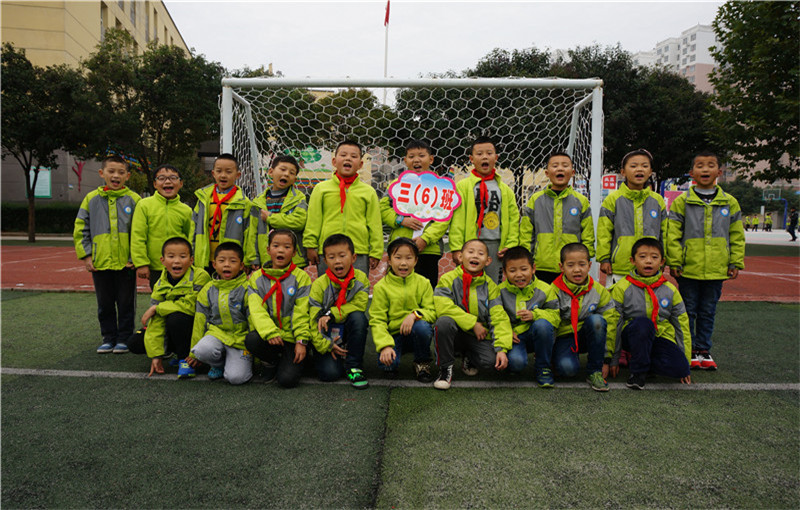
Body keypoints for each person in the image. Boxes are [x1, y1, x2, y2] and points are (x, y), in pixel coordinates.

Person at [666, 151, 745, 370]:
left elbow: (736, 235)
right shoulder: (682, 202)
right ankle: (689, 349)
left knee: (708, 311)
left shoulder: (730, 202)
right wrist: (675, 261)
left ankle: (704, 350)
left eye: (711, 165)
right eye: (700, 165)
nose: (705, 169)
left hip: (716, 268)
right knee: (688, 310)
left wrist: (735, 261)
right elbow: (673, 234)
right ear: (691, 173)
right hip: (689, 268)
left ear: (719, 172)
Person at [73, 155, 141, 354]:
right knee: (104, 303)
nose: (116, 176)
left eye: (121, 172)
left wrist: (135, 258)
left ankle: (124, 338)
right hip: (100, 262)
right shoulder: (91, 199)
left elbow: (140, 232)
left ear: (128, 176)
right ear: (102, 173)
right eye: (111, 171)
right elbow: (81, 228)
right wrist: (87, 256)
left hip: (126, 264)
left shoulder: (135, 200)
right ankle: (108, 337)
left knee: (126, 303)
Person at [605, 238, 692, 390]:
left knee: (680, 368)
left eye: (654, 257)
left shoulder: (670, 290)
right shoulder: (621, 288)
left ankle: (643, 359)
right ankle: (637, 373)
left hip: (660, 336)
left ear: (662, 262)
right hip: (632, 336)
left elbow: (682, 325)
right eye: (642, 256)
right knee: (643, 324)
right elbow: (614, 324)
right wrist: (613, 358)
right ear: (632, 260)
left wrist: (686, 361)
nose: (648, 261)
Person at [432, 239, 512, 390]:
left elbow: (499, 317)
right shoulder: (448, 279)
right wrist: (472, 323)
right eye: (470, 252)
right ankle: (445, 369)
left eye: (480, 253)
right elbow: (443, 306)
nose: (475, 256)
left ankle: (468, 355)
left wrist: (502, 348)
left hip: (477, 336)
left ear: (488, 261)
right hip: (455, 332)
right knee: (443, 322)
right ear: (460, 257)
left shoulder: (491, 287)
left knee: (491, 362)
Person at [127, 237, 211, 378]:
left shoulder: (200, 276)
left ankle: (185, 359)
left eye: (182, 256)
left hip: (200, 327)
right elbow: (157, 319)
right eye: (171, 256)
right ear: (163, 260)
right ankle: (175, 351)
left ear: (191, 260)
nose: (177, 261)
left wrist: (157, 308)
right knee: (135, 342)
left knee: (177, 318)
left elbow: (192, 306)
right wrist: (156, 355)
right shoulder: (160, 283)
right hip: (175, 327)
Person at [304, 140, 382, 277]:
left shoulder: (368, 192)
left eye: (353, 156)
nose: (348, 158)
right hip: (328, 251)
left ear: (360, 164)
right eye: (343, 155)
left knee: (358, 287)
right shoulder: (321, 189)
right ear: (334, 161)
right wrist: (310, 245)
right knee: (327, 288)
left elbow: (374, 223)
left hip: (358, 251)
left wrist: (376, 251)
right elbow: (313, 219)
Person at [245, 229, 312, 388]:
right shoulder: (256, 278)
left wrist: (301, 341)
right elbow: (256, 310)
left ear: (294, 252)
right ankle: (271, 362)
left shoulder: (301, 277)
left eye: (287, 247)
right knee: (252, 340)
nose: (281, 250)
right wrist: (270, 332)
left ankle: (297, 359)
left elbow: (302, 312)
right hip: (270, 336)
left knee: (287, 380)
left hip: (292, 337)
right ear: (268, 250)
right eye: (276, 246)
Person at [543, 243, 613, 392]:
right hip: (564, 337)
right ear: (561, 267)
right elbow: (550, 325)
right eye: (570, 265)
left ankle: (595, 371)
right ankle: (560, 358)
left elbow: (611, 324)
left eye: (582, 264)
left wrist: (607, 359)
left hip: (587, 335)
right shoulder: (553, 290)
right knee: (567, 370)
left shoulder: (599, 291)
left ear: (589, 265)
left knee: (597, 321)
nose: (577, 270)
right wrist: (550, 357)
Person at [448, 136, 520, 283]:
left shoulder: (505, 190)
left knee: (493, 285)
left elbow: (513, 219)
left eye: (489, 153)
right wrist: (456, 247)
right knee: (468, 283)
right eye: (479, 154)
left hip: (496, 246)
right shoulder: (462, 187)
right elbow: (457, 219)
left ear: (496, 157)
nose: (485, 157)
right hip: (470, 245)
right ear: (471, 159)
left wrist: (510, 245)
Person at [380, 139, 450, 287]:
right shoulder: (396, 185)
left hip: (429, 250)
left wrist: (426, 239)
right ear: (405, 160)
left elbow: (444, 218)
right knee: (396, 289)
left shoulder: (440, 187)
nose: (416, 160)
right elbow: (383, 208)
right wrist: (400, 220)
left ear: (431, 159)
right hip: (400, 247)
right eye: (411, 156)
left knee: (426, 289)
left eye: (421, 156)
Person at [520, 152, 595, 284]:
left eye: (565, 165)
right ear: (547, 173)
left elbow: (588, 235)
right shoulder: (535, 200)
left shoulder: (581, 201)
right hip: (541, 266)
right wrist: (526, 259)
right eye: (555, 166)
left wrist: (583, 259)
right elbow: (526, 233)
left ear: (572, 172)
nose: (560, 169)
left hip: (571, 266)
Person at [308, 234, 371, 389]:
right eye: (331, 257)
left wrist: (331, 313)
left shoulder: (361, 279)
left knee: (359, 318)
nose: (337, 261)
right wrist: (326, 345)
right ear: (325, 261)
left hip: (346, 327)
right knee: (329, 374)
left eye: (342, 256)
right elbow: (312, 321)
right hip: (327, 335)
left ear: (353, 257)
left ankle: (354, 365)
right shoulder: (319, 285)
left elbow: (359, 304)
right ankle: (326, 356)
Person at [596, 149, 667, 286]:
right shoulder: (612, 200)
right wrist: (604, 258)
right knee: (617, 300)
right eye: (633, 166)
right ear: (623, 172)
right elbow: (604, 232)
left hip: (650, 268)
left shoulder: (658, 201)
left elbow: (665, 233)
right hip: (620, 268)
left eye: (644, 166)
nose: (639, 169)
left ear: (650, 171)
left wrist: (664, 258)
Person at [370, 237, 436, 382]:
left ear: (416, 261)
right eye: (398, 257)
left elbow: (432, 311)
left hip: (414, 330)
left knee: (422, 327)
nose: (403, 263)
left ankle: (422, 362)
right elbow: (377, 320)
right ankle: (395, 351)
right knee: (389, 366)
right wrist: (385, 345)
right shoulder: (381, 287)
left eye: (409, 258)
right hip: (393, 334)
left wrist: (414, 315)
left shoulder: (424, 283)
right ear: (389, 260)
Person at [187, 242, 252, 385]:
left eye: (233, 261)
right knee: (201, 350)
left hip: (239, 340)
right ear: (214, 264)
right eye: (222, 261)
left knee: (236, 378)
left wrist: (255, 349)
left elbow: (253, 320)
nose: (227, 265)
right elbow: (200, 321)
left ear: (241, 265)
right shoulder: (208, 289)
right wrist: (193, 354)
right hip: (217, 334)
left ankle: (239, 360)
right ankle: (218, 364)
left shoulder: (247, 288)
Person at [499, 246, 559, 387]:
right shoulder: (499, 291)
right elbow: (494, 318)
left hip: (536, 334)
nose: (519, 275)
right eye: (512, 271)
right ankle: (514, 362)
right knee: (516, 364)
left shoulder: (546, 289)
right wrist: (507, 332)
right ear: (505, 272)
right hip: (514, 337)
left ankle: (543, 367)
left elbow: (556, 317)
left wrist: (534, 314)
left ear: (533, 268)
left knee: (543, 325)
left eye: (524, 269)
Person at [131, 164, 193, 289]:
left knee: (182, 297)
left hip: (180, 266)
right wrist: (141, 263)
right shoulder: (144, 205)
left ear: (180, 183)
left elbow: (191, 238)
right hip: (155, 266)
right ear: (155, 184)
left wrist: (190, 261)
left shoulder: (186, 210)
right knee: (159, 298)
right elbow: (138, 236)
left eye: (173, 178)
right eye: (161, 178)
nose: (168, 181)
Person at [191, 153, 254, 274]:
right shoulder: (203, 200)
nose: (223, 175)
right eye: (219, 171)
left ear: (238, 175)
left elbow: (249, 235)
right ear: (213, 173)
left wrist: (247, 259)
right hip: (204, 260)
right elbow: (193, 228)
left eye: (229, 172)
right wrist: (191, 253)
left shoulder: (244, 203)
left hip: (230, 262)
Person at [249, 155, 308, 270]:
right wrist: (253, 257)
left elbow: (299, 222)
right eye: (283, 169)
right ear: (271, 172)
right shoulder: (258, 201)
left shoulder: (299, 198)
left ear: (295, 179)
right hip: (266, 260)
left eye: (291, 173)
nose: (286, 174)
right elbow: (252, 232)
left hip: (293, 261)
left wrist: (270, 217)